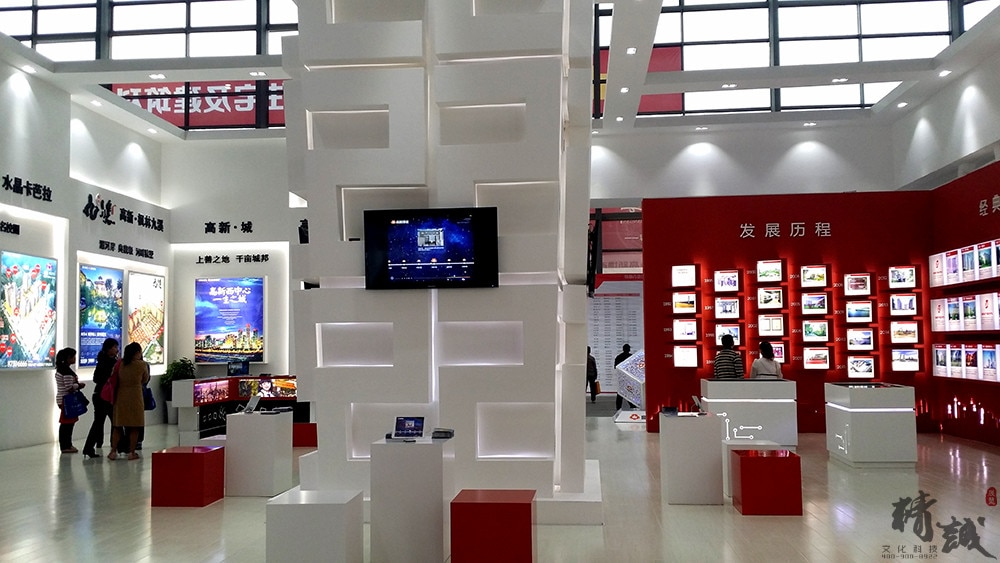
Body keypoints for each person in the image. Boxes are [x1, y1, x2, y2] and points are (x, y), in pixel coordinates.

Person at [108, 342, 150, 461]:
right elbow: (145, 379)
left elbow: (113, 377)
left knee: (117, 426)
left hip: (120, 396)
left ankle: (113, 451)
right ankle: (131, 452)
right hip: (136, 396)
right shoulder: (142, 365)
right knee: (135, 426)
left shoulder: (119, 364)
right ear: (137, 352)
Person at [82, 338, 119, 458]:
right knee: (114, 422)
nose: (116, 349)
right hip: (106, 396)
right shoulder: (111, 362)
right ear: (109, 348)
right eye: (114, 347)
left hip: (99, 394)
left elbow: (96, 378)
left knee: (99, 422)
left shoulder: (102, 361)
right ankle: (118, 446)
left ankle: (89, 447)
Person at [54, 347, 85, 454]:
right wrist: (79, 385)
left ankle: (67, 444)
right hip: (66, 400)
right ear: (68, 358)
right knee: (66, 424)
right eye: (73, 357)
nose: (75, 358)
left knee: (68, 424)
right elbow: (69, 387)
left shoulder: (62, 369)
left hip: (64, 399)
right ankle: (65, 445)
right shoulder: (66, 371)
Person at [614, 344, 635, 410]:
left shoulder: (619, 357)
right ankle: (632, 405)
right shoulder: (631, 357)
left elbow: (616, 367)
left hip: (622, 377)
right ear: (629, 349)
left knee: (620, 392)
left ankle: (618, 407)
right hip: (629, 377)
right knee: (629, 392)